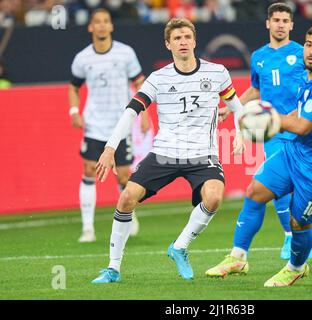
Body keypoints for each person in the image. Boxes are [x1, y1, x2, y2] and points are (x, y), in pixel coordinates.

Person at [91, 18, 246, 284]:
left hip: (202, 154)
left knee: (214, 196)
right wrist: (109, 148)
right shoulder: (158, 79)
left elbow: (238, 108)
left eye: (187, 37)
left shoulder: (217, 72)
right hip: (165, 152)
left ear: (195, 41)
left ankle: (180, 246)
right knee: (126, 198)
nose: (183, 42)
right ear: (168, 44)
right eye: (177, 38)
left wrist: (241, 134)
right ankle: (113, 269)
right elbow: (131, 111)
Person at [206, 24, 312, 287]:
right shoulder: (309, 76)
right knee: (255, 192)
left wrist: (270, 118)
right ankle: (238, 257)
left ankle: (296, 267)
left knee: (299, 222)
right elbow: (299, 114)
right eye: (308, 44)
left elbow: (303, 126)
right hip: (295, 153)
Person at [69, 8, 149, 243]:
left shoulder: (125, 53)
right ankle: (87, 229)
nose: (102, 26)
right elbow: (73, 86)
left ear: (111, 26)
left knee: (123, 176)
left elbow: (140, 82)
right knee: (89, 171)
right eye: (97, 22)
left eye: (106, 22)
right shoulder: (82, 58)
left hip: (120, 124)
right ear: (90, 27)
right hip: (94, 124)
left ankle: (128, 213)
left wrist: (144, 114)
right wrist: (74, 110)